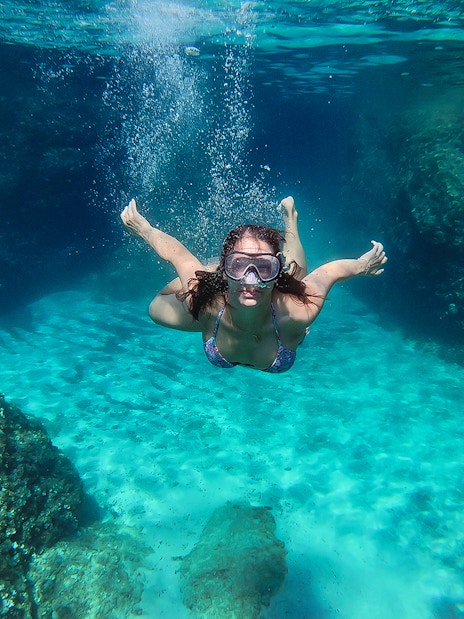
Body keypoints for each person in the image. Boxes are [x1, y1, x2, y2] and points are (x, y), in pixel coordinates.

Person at [120, 196, 387, 373]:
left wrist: (362, 265)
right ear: (226, 269)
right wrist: (145, 229)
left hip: (278, 301)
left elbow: (330, 271)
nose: (251, 279)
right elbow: (178, 255)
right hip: (216, 295)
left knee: (296, 277)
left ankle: (290, 221)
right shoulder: (208, 302)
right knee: (156, 309)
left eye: (264, 267)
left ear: (274, 269)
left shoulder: (297, 312)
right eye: (239, 265)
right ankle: (218, 267)